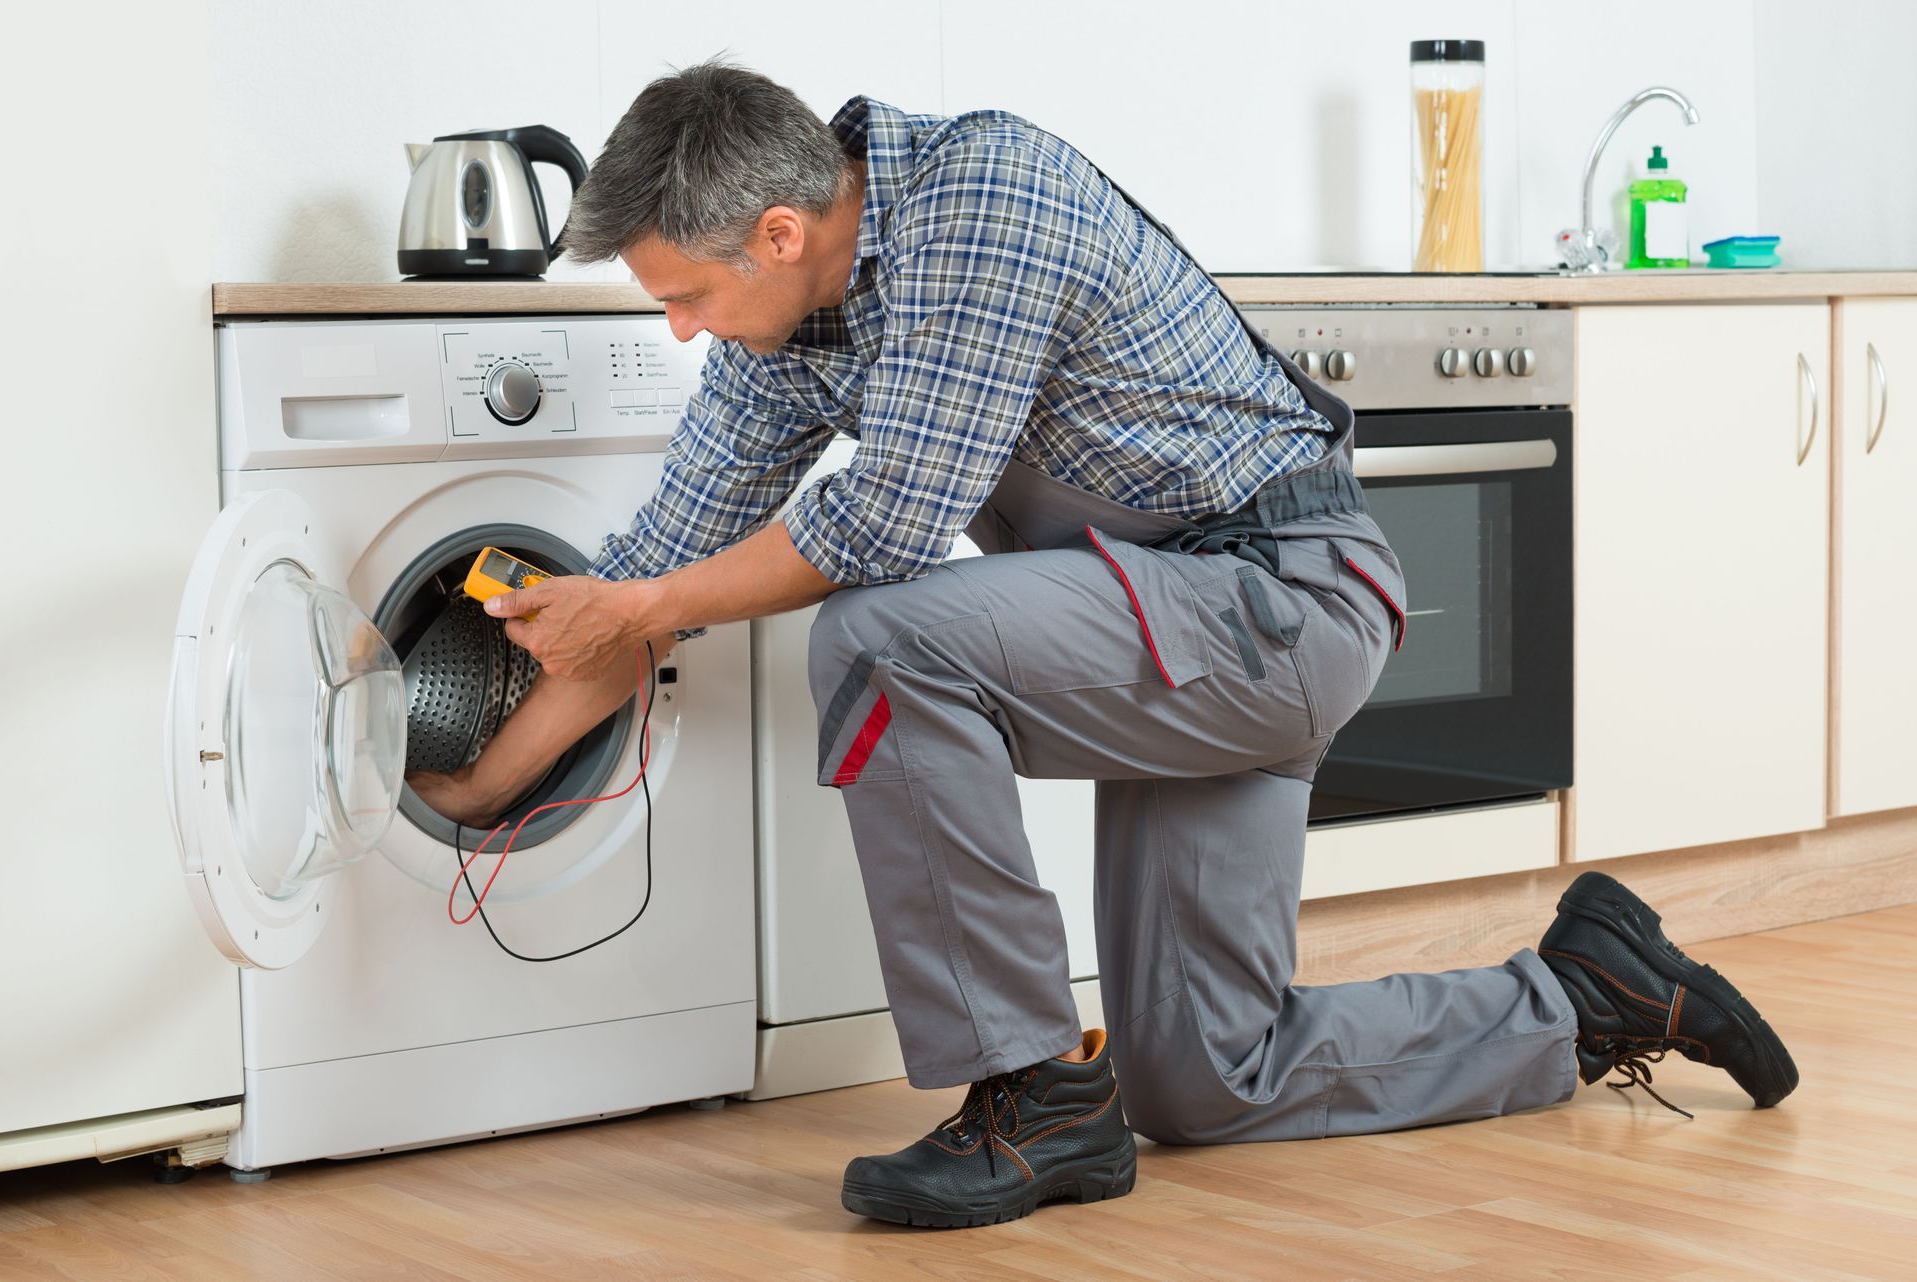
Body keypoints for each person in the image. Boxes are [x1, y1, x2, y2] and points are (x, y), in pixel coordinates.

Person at [408, 61, 1798, 1229]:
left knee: (882, 639)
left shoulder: (982, 195)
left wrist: (639, 611)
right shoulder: (788, 329)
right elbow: (649, 572)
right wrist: (467, 789)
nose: (683, 329)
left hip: (1277, 596)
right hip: (1166, 628)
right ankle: (1586, 993)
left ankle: (1034, 1092)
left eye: (684, 297)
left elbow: (884, 521)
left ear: (778, 231)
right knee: (1208, 1075)